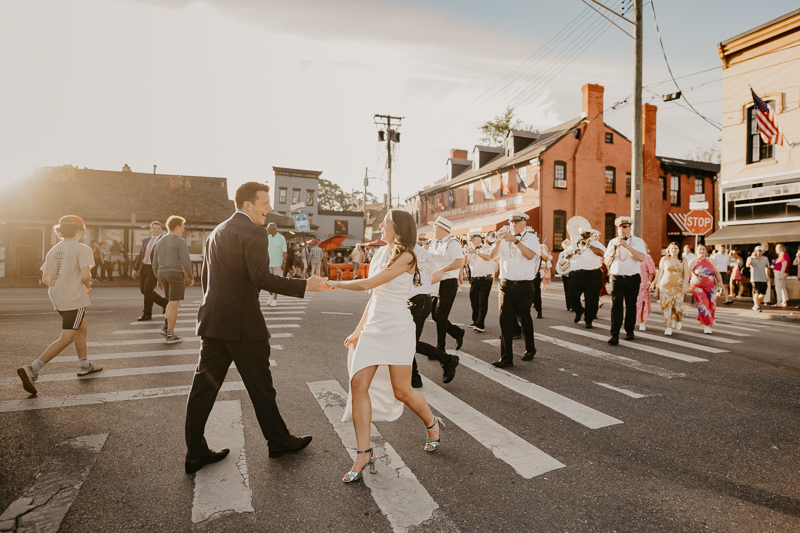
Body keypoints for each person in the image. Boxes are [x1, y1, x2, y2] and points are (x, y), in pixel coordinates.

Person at [184, 182, 330, 475]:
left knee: (203, 389)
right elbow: (261, 277)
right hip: (242, 324)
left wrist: (213, 308)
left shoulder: (217, 231)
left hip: (213, 321)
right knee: (261, 388)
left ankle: (195, 452)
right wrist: (305, 285)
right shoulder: (253, 231)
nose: (269, 208)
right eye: (264, 202)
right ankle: (278, 442)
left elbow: (206, 280)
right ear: (248, 205)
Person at [326, 210, 445, 484]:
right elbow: (373, 295)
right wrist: (358, 330)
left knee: (402, 390)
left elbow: (368, 283)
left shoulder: (408, 256)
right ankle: (363, 452)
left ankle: (432, 423)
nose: (380, 225)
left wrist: (332, 283)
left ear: (399, 229)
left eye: (386, 223)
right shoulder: (382, 252)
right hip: (374, 327)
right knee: (358, 385)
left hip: (397, 328)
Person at [17, 216, 103, 395]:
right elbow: (86, 276)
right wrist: (87, 286)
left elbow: (45, 279)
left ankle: (84, 364)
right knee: (67, 337)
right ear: (79, 231)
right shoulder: (82, 248)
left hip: (58, 297)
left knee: (81, 327)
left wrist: (62, 285)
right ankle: (33, 369)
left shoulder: (53, 250)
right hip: (74, 298)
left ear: (60, 231)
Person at [489, 211, 540, 367]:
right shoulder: (505, 238)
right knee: (504, 320)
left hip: (524, 284)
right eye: (511, 223)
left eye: (517, 223)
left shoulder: (531, 238)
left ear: (524, 223)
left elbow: (530, 255)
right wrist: (498, 241)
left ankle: (530, 349)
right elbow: (492, 256)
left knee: (524, 318)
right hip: (506, 283)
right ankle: (506, 358)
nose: (513, 226)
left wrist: (516, 241)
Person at [407, 241, 459, 387]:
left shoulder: (407, 253)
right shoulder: (424, 252)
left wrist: (416, 288)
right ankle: (414, 377)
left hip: (416, 302)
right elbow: (436, 276)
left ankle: (448, 360)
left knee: (409, 342)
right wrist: (422, 287)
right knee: (407, 341)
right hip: (420, 299)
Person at [604, 216, 646, 345]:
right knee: (616, 306)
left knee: (631, 305)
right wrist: (613, 251)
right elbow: (606, 262)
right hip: (617, 277)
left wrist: (627, 246)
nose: (622, 229)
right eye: (620, 227)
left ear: (629, 228)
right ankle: (614, 334)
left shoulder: (638, 241)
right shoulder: (612, 242)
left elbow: (641, 258)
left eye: (624, 227)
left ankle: (629, 330)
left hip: (632, 277)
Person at [152, 215, 194, 344]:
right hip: (175, 274)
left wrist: (158, 277)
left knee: (170, 302)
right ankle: (170, 335)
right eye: (182, 226)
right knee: (174, 304)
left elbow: (154, 263)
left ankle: (166, 327)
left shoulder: (159, 242)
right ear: (177, 227)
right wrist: (191, 277)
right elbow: (185, 261)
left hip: (162, 274)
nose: (183, 229)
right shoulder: (180, 241)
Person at [429, 217, 466, 352]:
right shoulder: (435, 242)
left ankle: (440, 349)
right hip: (436, 282)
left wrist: (443, 269)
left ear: (442, 229)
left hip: (448, 282)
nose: (433, 230)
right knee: (434, 315)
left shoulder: (453, 243)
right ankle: (457, 332)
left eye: (435, 228)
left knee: (440, 315)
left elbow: (460, 261)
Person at [561, 228, 605, 329]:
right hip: (576, 274)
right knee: (572, 295)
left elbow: (602, 253)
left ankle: (588, 320)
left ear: (589, 236)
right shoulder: (574, 244)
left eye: (585, 236)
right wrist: (573, 252)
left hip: (592, 274)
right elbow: (565, 256)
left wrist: (589, 246)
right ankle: (579, 310)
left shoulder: (596, 243)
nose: (582, 237)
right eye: (581, 235)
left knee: (592, 299)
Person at [131, 221, 168, 321]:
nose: (156, 230)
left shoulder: (163, 241)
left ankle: (147, 314)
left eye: (158, 228)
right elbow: (140, 255)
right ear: (151, 229)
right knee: (144, 290)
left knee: (147, 290)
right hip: (144, 268)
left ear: (161, 230)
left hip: (154, 268)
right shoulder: (146, 240)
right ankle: (164, 303)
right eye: (154, 228)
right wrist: (135, 268)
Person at [683, 244, 724, 334]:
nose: (702, 251)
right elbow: (687, 274)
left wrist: (721, 283)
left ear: (706, 251)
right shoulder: (693, 261)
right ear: (696, 251)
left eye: (703, 249)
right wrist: (685, 286)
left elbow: (716, 272)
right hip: (698, 287)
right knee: (703, 304)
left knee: (712, 305)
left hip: (711, 287)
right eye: (700, 249)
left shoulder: (711, 260)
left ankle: (704, 319)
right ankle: (707, 325)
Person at [651, 242, 686, 336]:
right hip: (665, 286)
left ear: (679, 250)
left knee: (678, 305)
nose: (674, 250)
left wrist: (685, 285)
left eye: (676, 248)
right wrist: (653, 283)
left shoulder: (683, 260)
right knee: (667, 306)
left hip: (678, 286)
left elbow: (687, 274)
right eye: (672, 248)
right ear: (669, 250)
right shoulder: (664, 259)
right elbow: (659, 272)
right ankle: (668, 327)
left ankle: (678, 319)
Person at [466, 232, 494, 332]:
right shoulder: (471, 250)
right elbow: (467, 263)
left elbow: (488, 257)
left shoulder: (487, 248)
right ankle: (475, 320)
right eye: (471, 240)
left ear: (479, 239)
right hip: (474, 278)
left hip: (485, 278)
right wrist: (466, 253)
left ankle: (480, 324)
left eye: (474, 239)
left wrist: (476, 251)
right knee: (473, 300)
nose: (472, 241)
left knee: (482, 301)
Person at [635, 246, 657, 331]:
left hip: (643, 281)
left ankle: (642, 321)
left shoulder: (647, 257)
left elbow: (652, 270)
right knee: (633, 302)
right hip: (633, 281)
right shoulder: (632, 256)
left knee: (642, 302)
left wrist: (649, 281)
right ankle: (633, 319)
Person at [265, 223, 287, 307]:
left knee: (276, 282)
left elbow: (284, 251)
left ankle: (275, 299)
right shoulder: (267, 237)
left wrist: (284, 262)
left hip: (278, 264)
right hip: (268, 263)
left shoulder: (281, 238)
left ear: (273, 229)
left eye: (268, 229)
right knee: (267, 282)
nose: (267, 230)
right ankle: (270, 295)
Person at [746, 246, 770, 312]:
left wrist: (768, 276)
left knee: (762, 294)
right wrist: (751, 257)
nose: (759, 252)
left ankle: (755, 305)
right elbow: (747, 265)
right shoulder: (751, 258)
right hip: (755, 278)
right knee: (756, 292)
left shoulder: (765, 259)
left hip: (763, 278)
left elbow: (767, 267)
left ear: (763, 252)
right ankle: (757, 306)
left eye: (760, 250)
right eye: (758, 250)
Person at [533, 238, 551, 319]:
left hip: (536, 274)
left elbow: (545, 260)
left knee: (536, 293)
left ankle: (539, 310)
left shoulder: (540, 248)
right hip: (525, 274)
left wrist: (540, 252)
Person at [559, 238, 572, 311]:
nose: (567, 245)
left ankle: (574, 305)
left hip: (572, 272)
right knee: (566, 289)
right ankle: (568, 306)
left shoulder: (573, 252)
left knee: (573, 289)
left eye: (569, 244)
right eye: (566, 244)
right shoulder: (561, 254)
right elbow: (559, 263)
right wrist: (565, 261)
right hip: (565, 273)